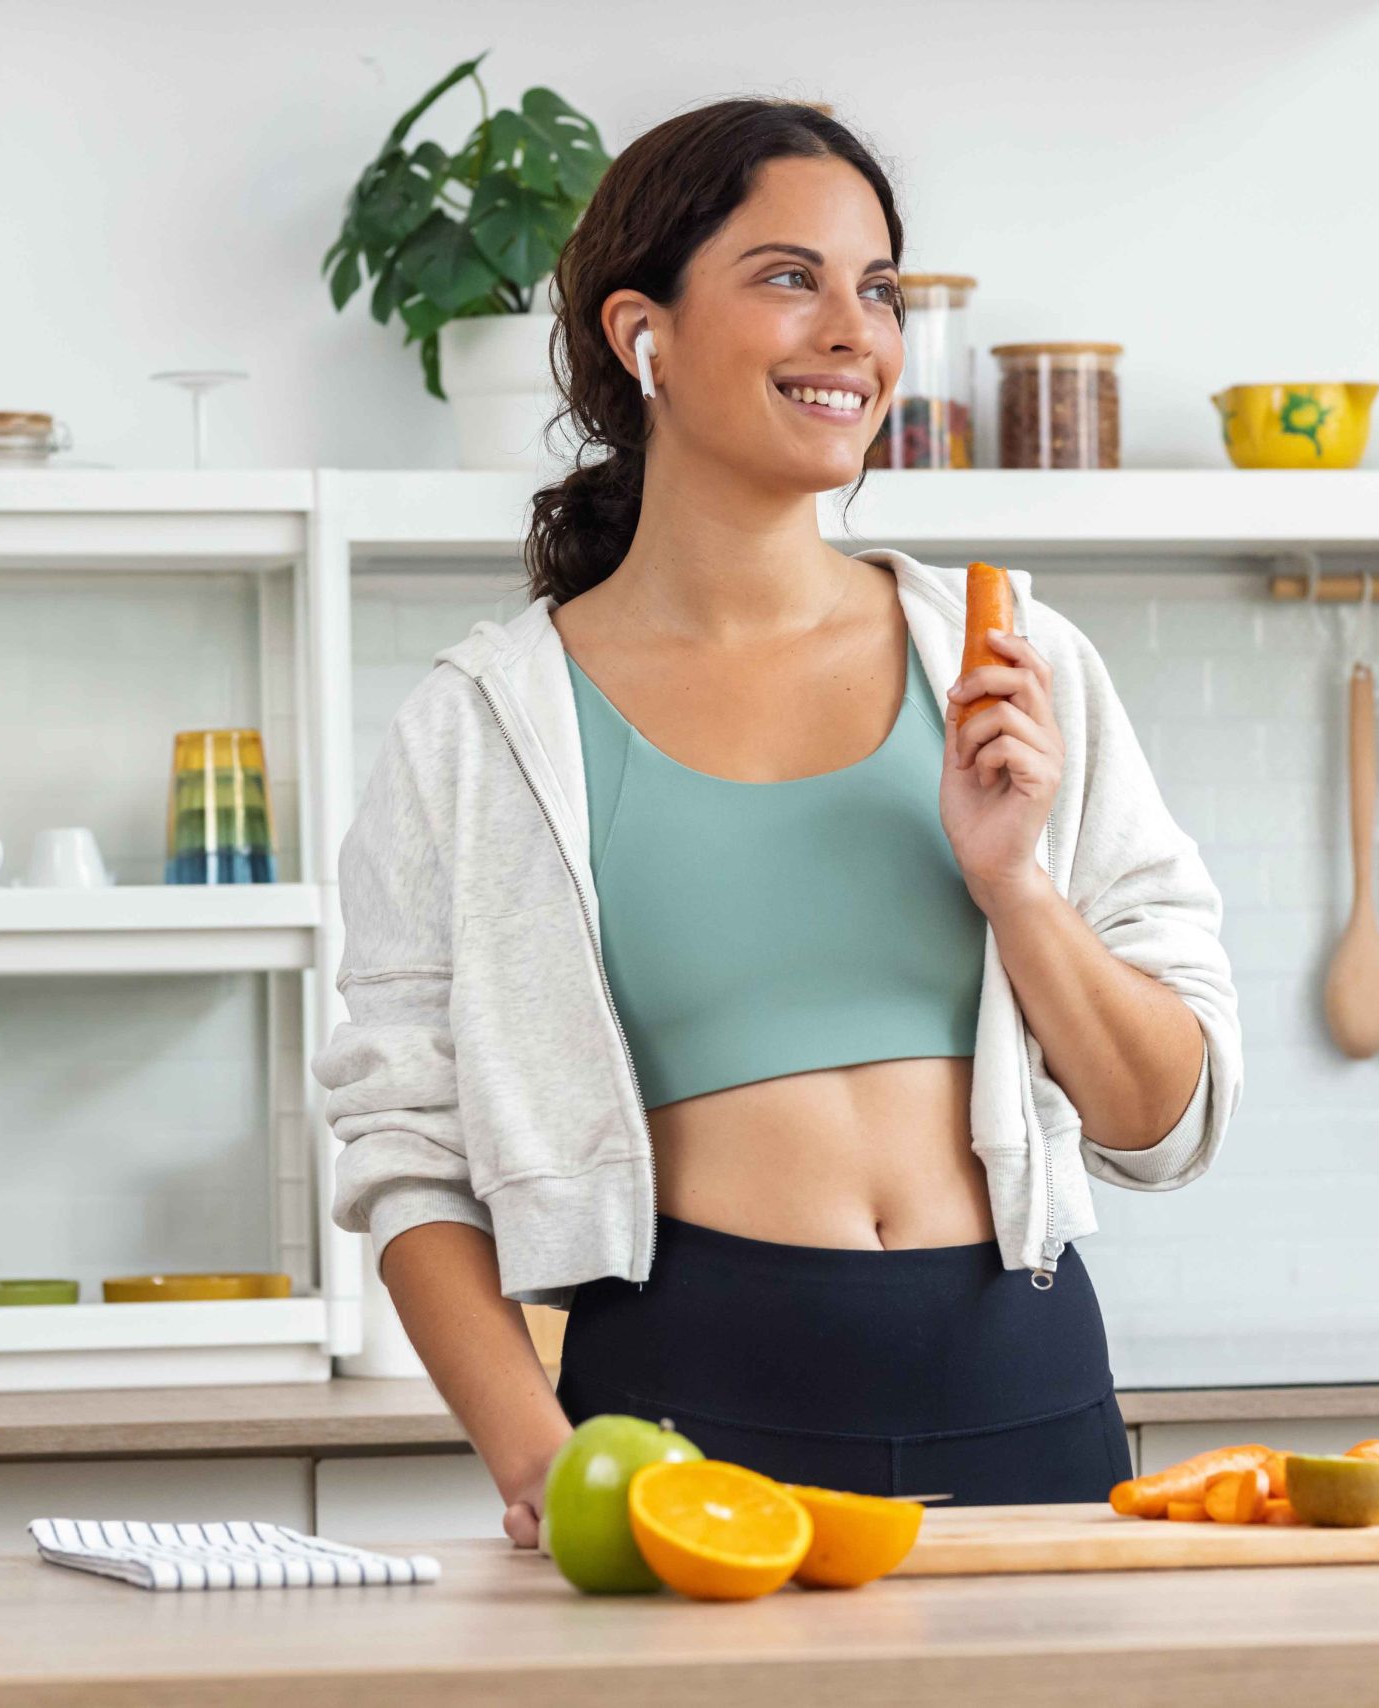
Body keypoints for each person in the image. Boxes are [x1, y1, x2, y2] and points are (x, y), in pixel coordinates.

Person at [314, 98, 1241, 1549]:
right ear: (646, 336)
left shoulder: (1012, 663)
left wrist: (1017, 889)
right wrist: (538, 1462)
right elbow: (406, 1153)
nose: (854, 334)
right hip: (686, 1413)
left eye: (876, 290)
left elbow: (1161, 1120)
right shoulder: (488, 726)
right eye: (789, 277)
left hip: (1031, 1395)